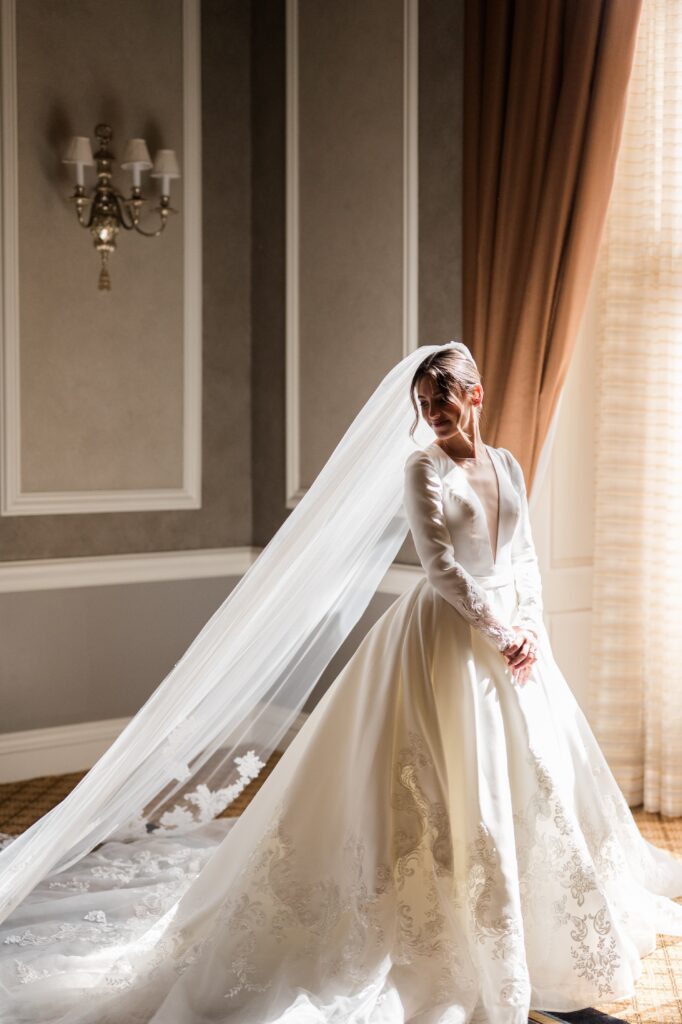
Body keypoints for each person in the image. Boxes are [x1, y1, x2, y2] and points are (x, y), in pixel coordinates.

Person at [2, 341, 682, 1024]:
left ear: (476, 395)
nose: (434, 410)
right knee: (448, 790)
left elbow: (526, 556)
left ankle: (535, 929)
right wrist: (503, 634)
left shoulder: (506, 465)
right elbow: (442, 570)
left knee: (531, 781)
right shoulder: (422, 470)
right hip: (447, 641)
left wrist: (530, 628)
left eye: (444, 395)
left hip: (515, 648)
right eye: (423, 402)